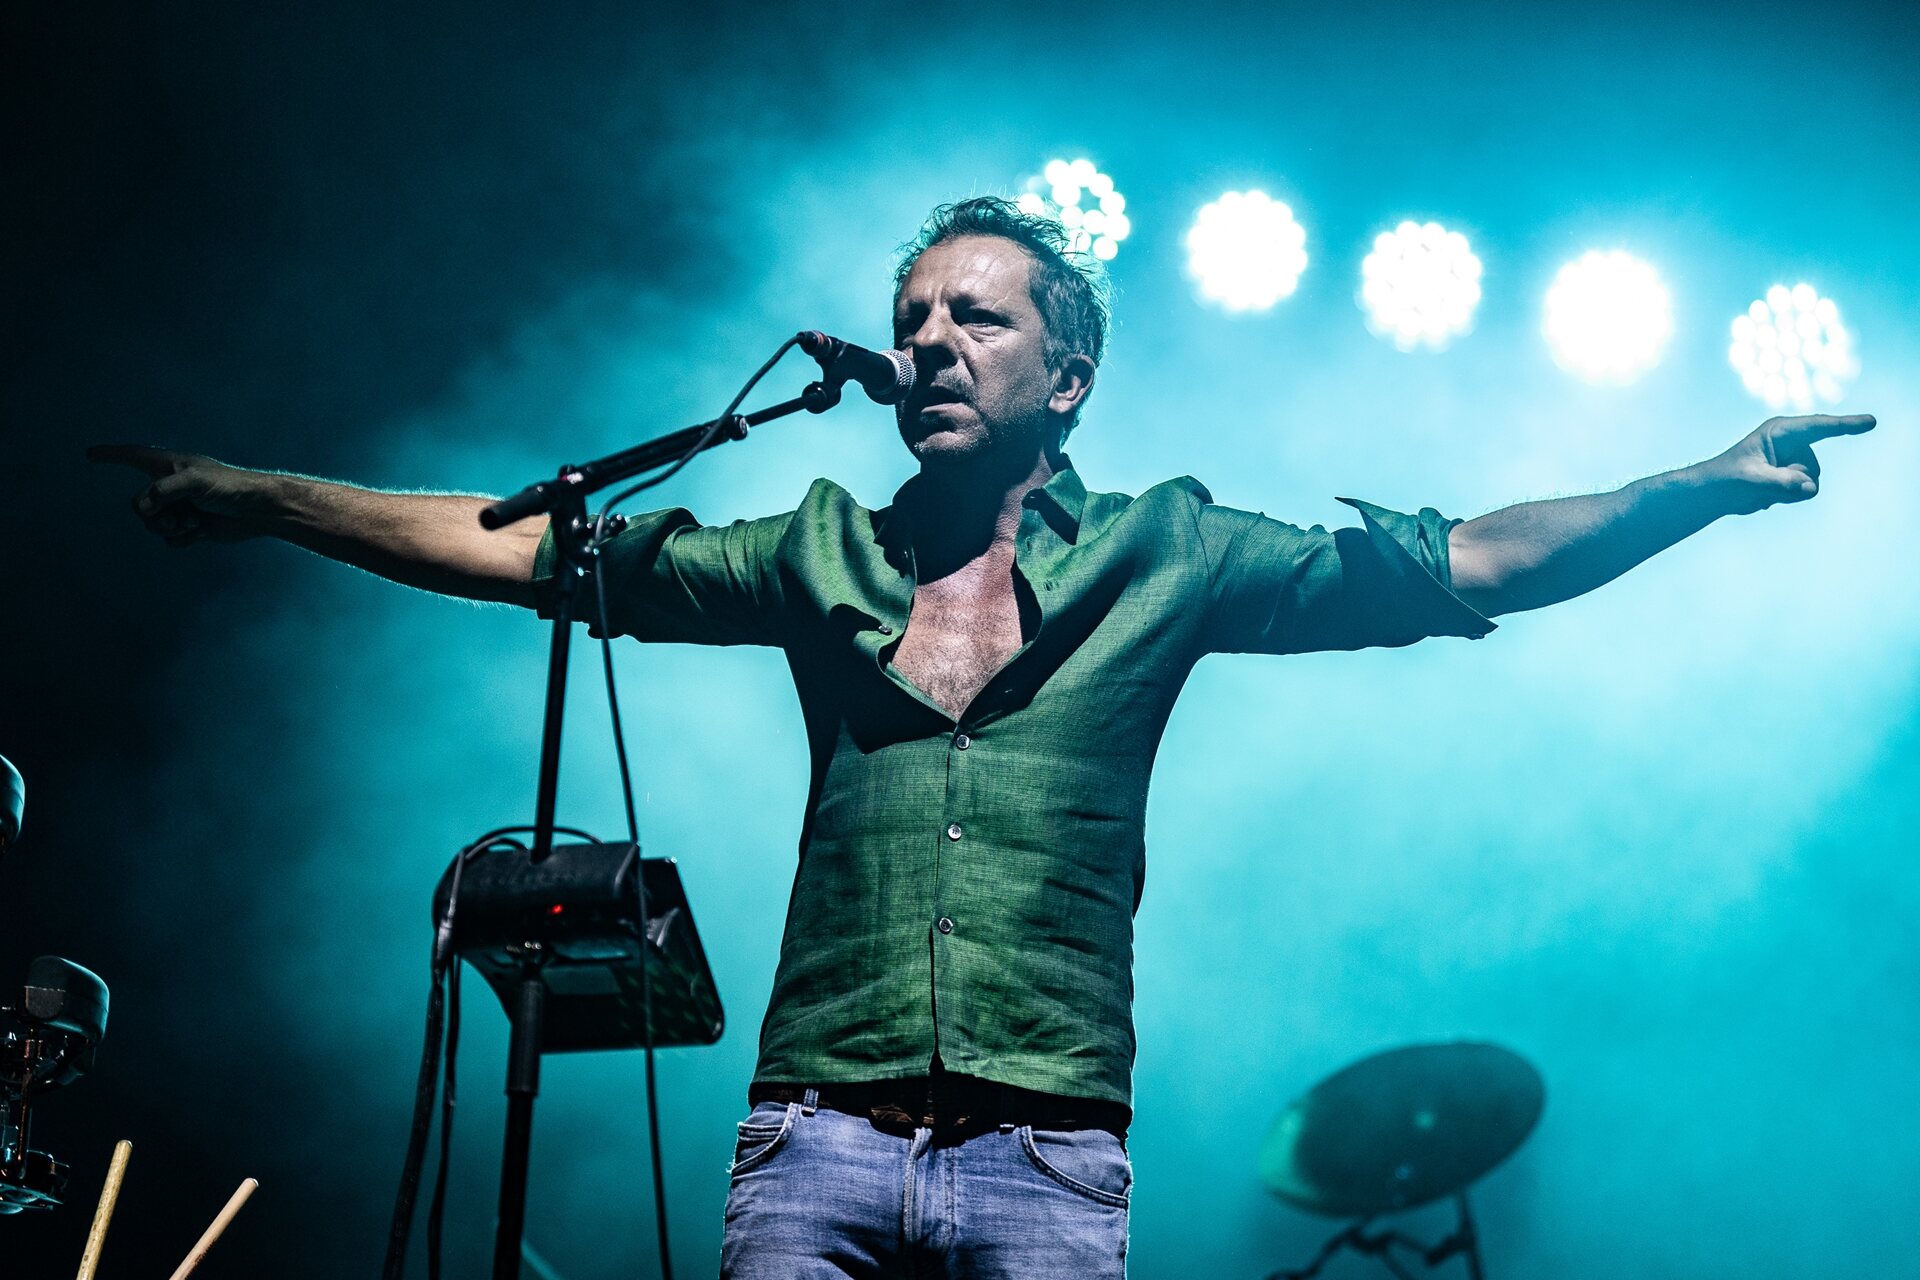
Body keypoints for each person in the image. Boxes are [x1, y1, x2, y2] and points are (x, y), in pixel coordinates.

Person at [92, 196, 1875, 1278]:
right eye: (912, 321)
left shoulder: (1171, 550)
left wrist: (1699, 485)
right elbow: (523, 550)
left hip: (1048, 1151)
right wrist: (263, 496)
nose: (931, 341)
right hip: (814, 1138)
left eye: (976, 316)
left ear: (1066, 377)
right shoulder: (810, 551)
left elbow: (1467, 558)